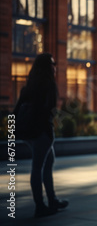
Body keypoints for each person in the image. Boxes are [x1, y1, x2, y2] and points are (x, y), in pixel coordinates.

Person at [13, 53, 68, 217]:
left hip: (28, 132)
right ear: (47, 66)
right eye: (53, 63)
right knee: (38, 168)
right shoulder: (49, 84)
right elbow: (49, 111)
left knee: (47, 163)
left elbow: (16, 110)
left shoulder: (28, 86)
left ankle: (52, 200)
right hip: (42, 132)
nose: (55, 66)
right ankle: (40, 206)